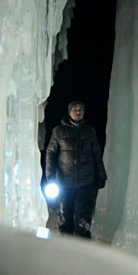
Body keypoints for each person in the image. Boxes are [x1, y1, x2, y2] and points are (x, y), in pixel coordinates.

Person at [45, 101, 107, 238]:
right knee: (65, 217)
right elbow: (51, 154)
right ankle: (67, 249)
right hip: (65, 182)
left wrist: (101, 175)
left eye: (80, 109)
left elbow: (97, 154)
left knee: (83, 219)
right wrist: (49, 176)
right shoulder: (58, 131)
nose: (78, 112)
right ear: (69, 112)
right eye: (74, 109)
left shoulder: (90, 131)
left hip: (86, 183)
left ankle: (82, 250)